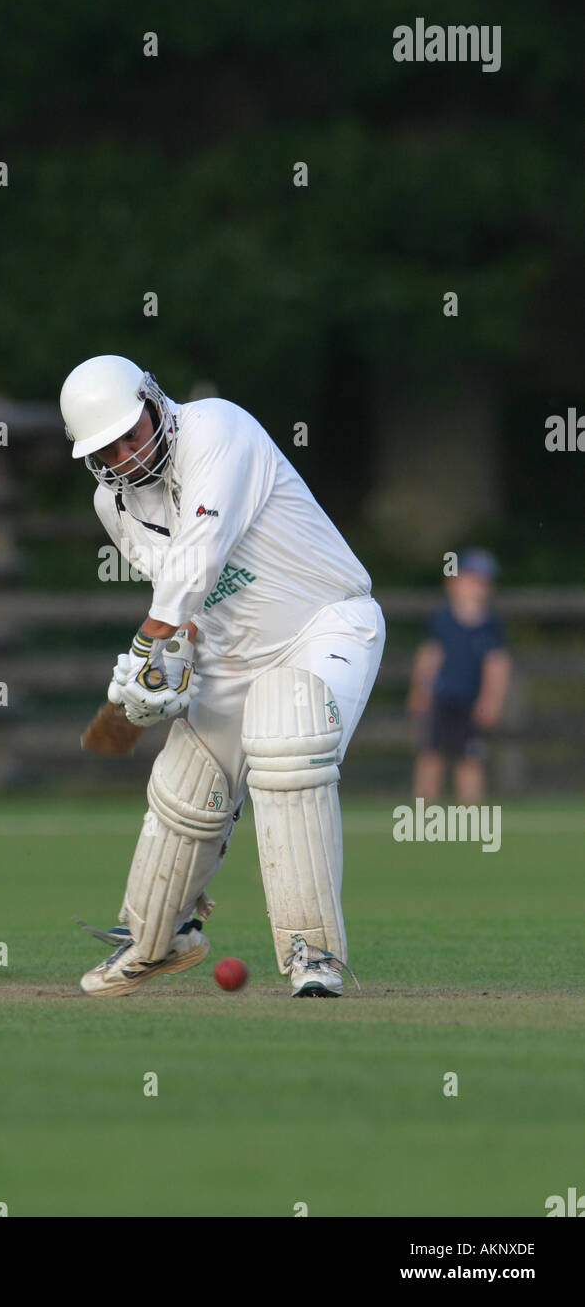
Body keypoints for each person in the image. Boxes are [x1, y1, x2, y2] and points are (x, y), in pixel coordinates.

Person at [60, 355, 385, 998]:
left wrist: (149, 642)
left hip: (324, 624)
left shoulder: (217, 429)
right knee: (187, 787)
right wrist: (163, 671)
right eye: (110, 449)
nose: (128, 453)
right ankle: (158, 940)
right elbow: (179, 598)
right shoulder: (113, 503)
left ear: (155, 403)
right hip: (231, 655)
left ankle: (312, 954)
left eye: (133, 432)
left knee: (287, 733)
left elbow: (198, 559)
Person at [408, 550, 511, 805]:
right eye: (471, 580)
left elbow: (497, 665)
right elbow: (430, 656)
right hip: (440, 698)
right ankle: (423, 811)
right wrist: (419, 690)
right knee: (430, 755)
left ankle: (470, 813)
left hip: (471, 701)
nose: (477, 588)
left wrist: (492, 699)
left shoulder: (491, 625)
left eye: (483, 582)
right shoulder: (442, 620)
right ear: (453, 582)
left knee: (470, 759)